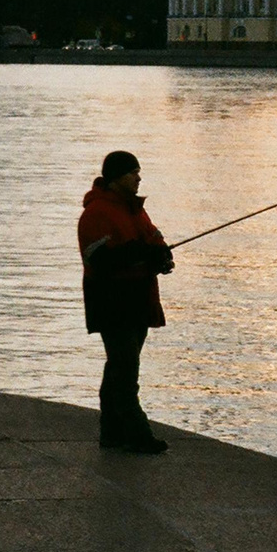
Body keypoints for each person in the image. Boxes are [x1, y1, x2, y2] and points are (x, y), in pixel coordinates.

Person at [77, 149, 174, 454]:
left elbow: (154, 239)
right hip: (111, 301)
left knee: (119, 367)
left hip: (139, 299)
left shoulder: (136, 210)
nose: (139, 177)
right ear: (117, 178)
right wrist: (138, 252)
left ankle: (112, 432)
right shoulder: (95, 213)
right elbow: (98, 259)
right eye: (134, 173)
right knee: (125, 368)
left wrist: (162, 256)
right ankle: (137, 434)